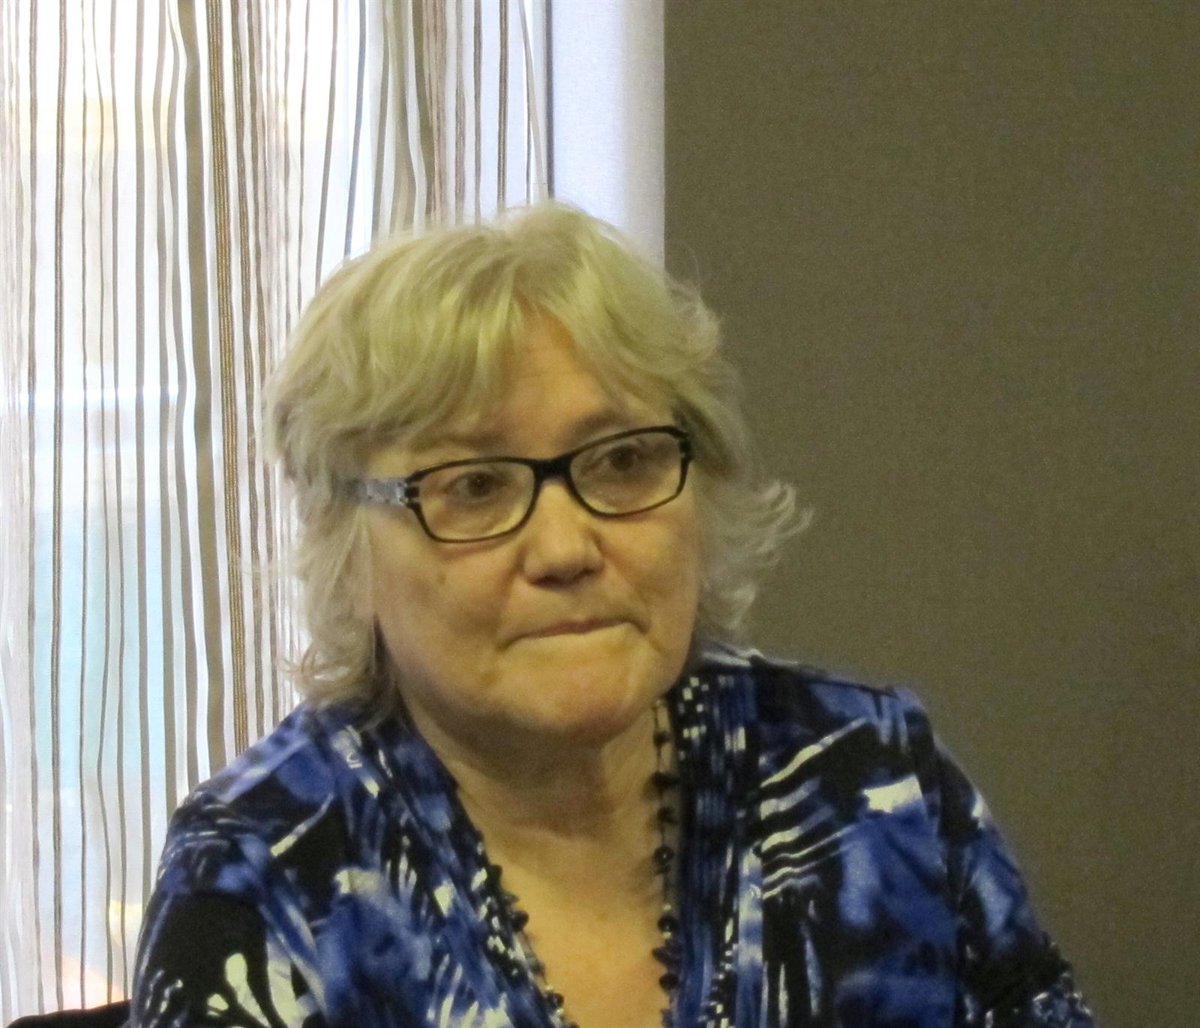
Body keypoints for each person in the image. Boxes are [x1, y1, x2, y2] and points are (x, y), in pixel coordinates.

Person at [128, 202, 1095, 1028]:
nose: (565, 548)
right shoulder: (261, 872)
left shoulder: (870, 780)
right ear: (348, 554)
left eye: (623, 461)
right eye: (474, 486)